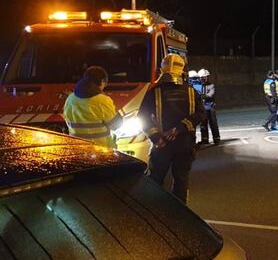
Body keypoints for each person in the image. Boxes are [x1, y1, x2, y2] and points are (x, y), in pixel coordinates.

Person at [139, 53, 206, 204]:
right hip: (185, 144)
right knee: (181, 181)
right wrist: (180, 128)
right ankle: (180, 214)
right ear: (182, 70)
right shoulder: (191, 91)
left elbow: (141, 116)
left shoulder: (154, 92)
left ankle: (154, 214)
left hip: (162, 145)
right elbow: (201, 114)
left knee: (155, 180)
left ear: (162, 70)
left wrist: (156, 137)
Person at [64, 66, 123, 148]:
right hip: (100, 152)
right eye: (105, 84)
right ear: (102, 81)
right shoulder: (102, 100)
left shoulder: (70, 99)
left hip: (77, 149)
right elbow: (116, 125)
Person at [198, 68, 221, 145]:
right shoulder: (198, 86)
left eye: (206, 77)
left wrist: (201, 95)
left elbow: (210, 95)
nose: (205, 78)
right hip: (203, 108)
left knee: (213, 123)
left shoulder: (210, 85)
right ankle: (205, 140)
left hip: (210, 107)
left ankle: (216, 139)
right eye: (203, 77)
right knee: (203, 125)